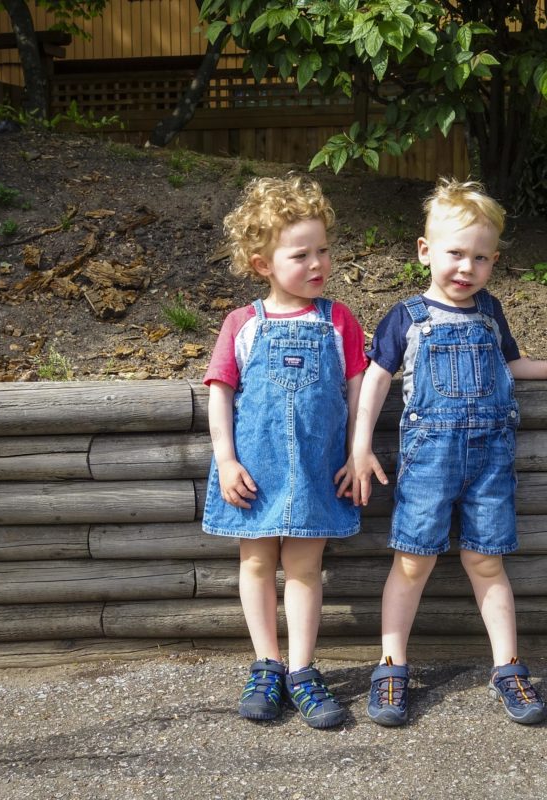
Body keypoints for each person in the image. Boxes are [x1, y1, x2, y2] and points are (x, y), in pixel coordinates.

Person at [350, 177, 547, 726]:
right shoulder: (406, 316)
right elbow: (375, 380)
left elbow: (507, 367)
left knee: (486, 562)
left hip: (490, 464)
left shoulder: (490, 312)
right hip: (428, 464)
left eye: (481, 258)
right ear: (425, 251)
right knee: (413, 561)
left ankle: (508, 667)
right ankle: (392, 665)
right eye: (455, 254)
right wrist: (359, 444)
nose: (466, 268)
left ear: (494, 261)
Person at [202, 175, 368, 729]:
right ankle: (266, 664)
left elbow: (356, 396)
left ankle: (302, 670)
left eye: (324, 250)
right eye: (301, 255)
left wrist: (355, 454)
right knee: (255, 562)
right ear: (262, 265)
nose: (318, 263)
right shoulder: (243, 325)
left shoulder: (339, 321)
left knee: (304, 567)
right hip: (256, 470)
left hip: (319, 470)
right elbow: (220, 393)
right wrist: (226, 460)